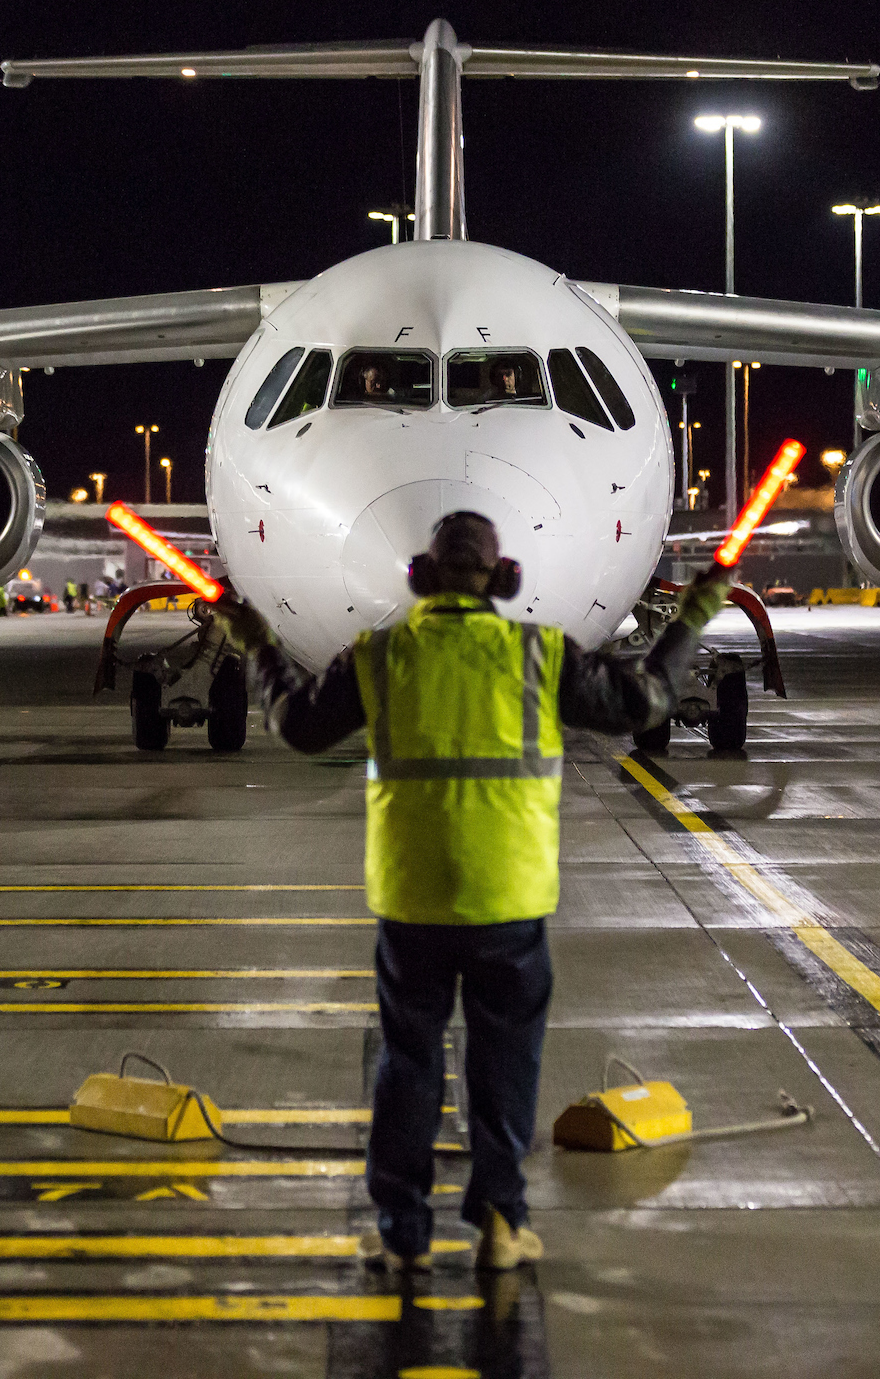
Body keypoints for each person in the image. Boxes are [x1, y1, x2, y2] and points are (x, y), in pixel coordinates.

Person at [214, 512, 733, 1274]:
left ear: (420, 576)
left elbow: (298, 726)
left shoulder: (381, 655)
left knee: (409, 1063)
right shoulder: (538, 654)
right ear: (504, 578)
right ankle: (500, 1221)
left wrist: (257, 645)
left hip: (414, 902)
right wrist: (692, 614)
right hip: (510, 901)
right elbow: (648, 702)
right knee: (504, 1069)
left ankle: (402, 1233)